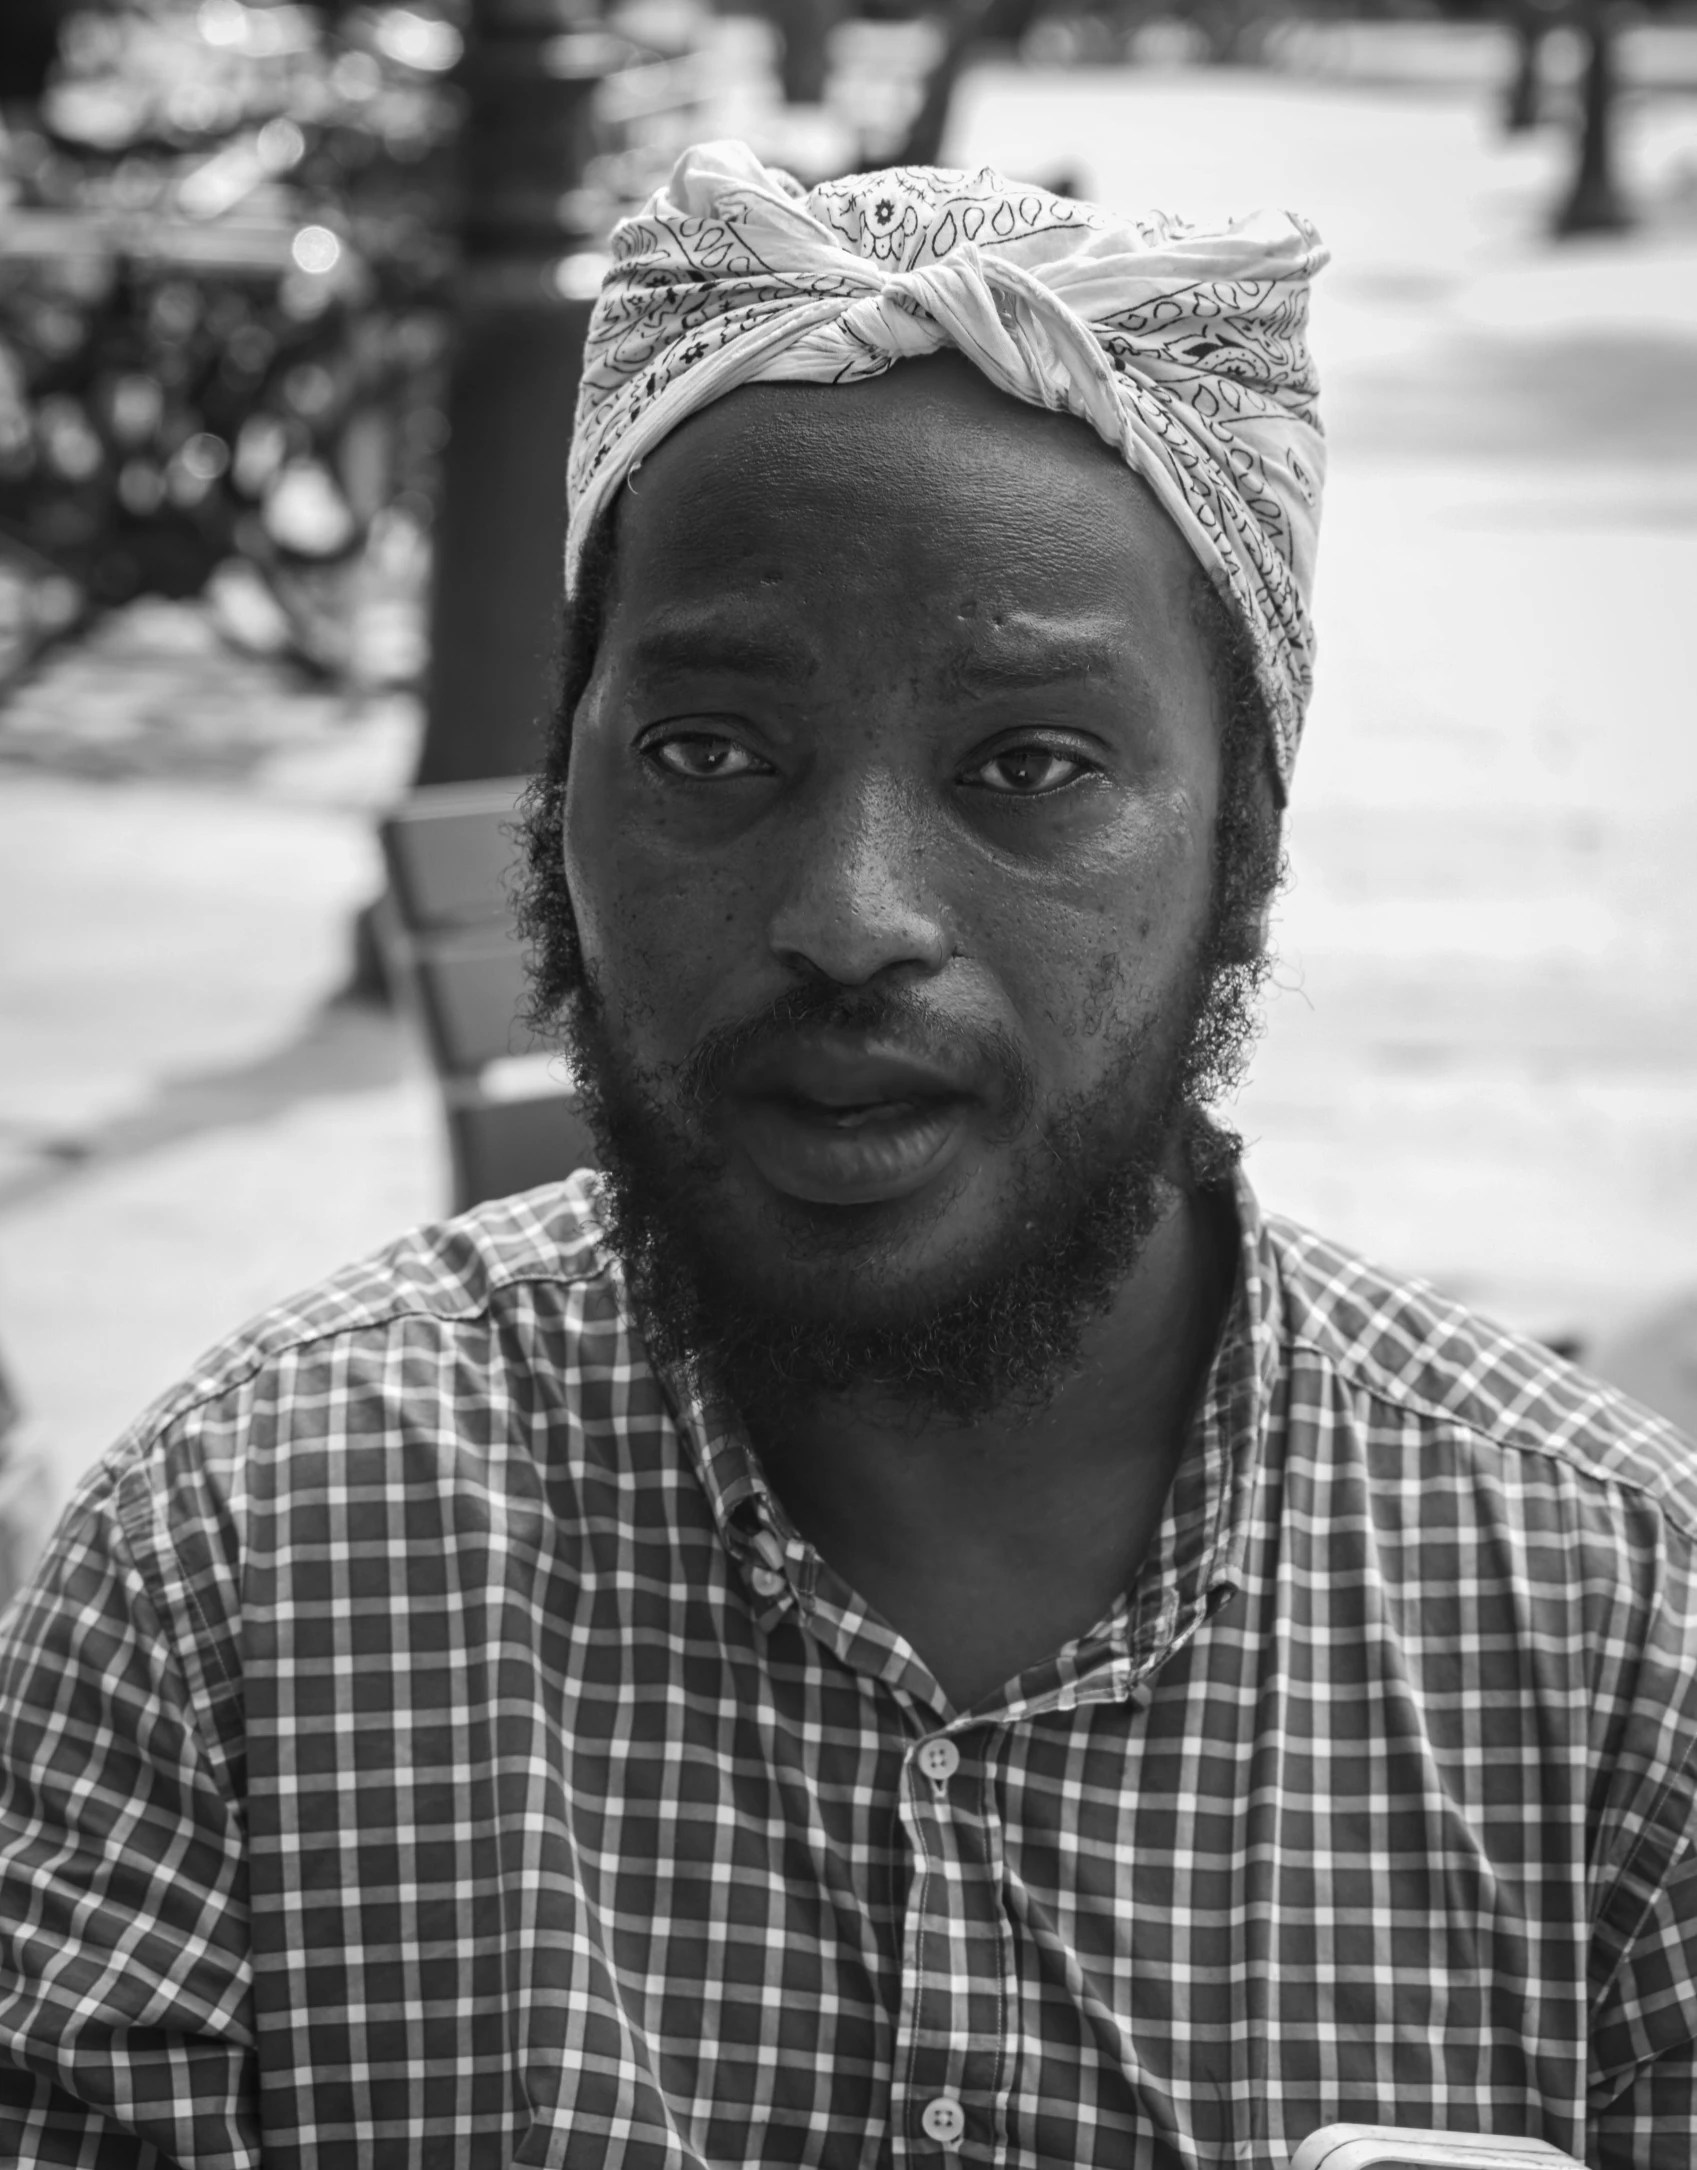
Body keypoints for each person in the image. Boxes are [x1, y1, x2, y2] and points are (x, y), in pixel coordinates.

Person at [0, 142, 1692, 2169]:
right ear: (561, 806)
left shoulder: (1616, 1648)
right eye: (714, 750)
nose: (851, 909)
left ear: (1239, 847)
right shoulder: (227, 1587)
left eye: (1026, 765)